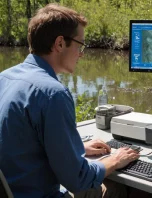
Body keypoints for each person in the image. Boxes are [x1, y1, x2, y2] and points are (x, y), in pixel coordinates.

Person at [0, 3, 141, 198]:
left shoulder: (5, 78)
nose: (81, 54)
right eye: (80, 45)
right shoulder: (52, 94)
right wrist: (116, 160)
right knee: (119, 189)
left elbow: (19, 142)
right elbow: (78, 179)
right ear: (59, 44)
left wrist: (76, 148)